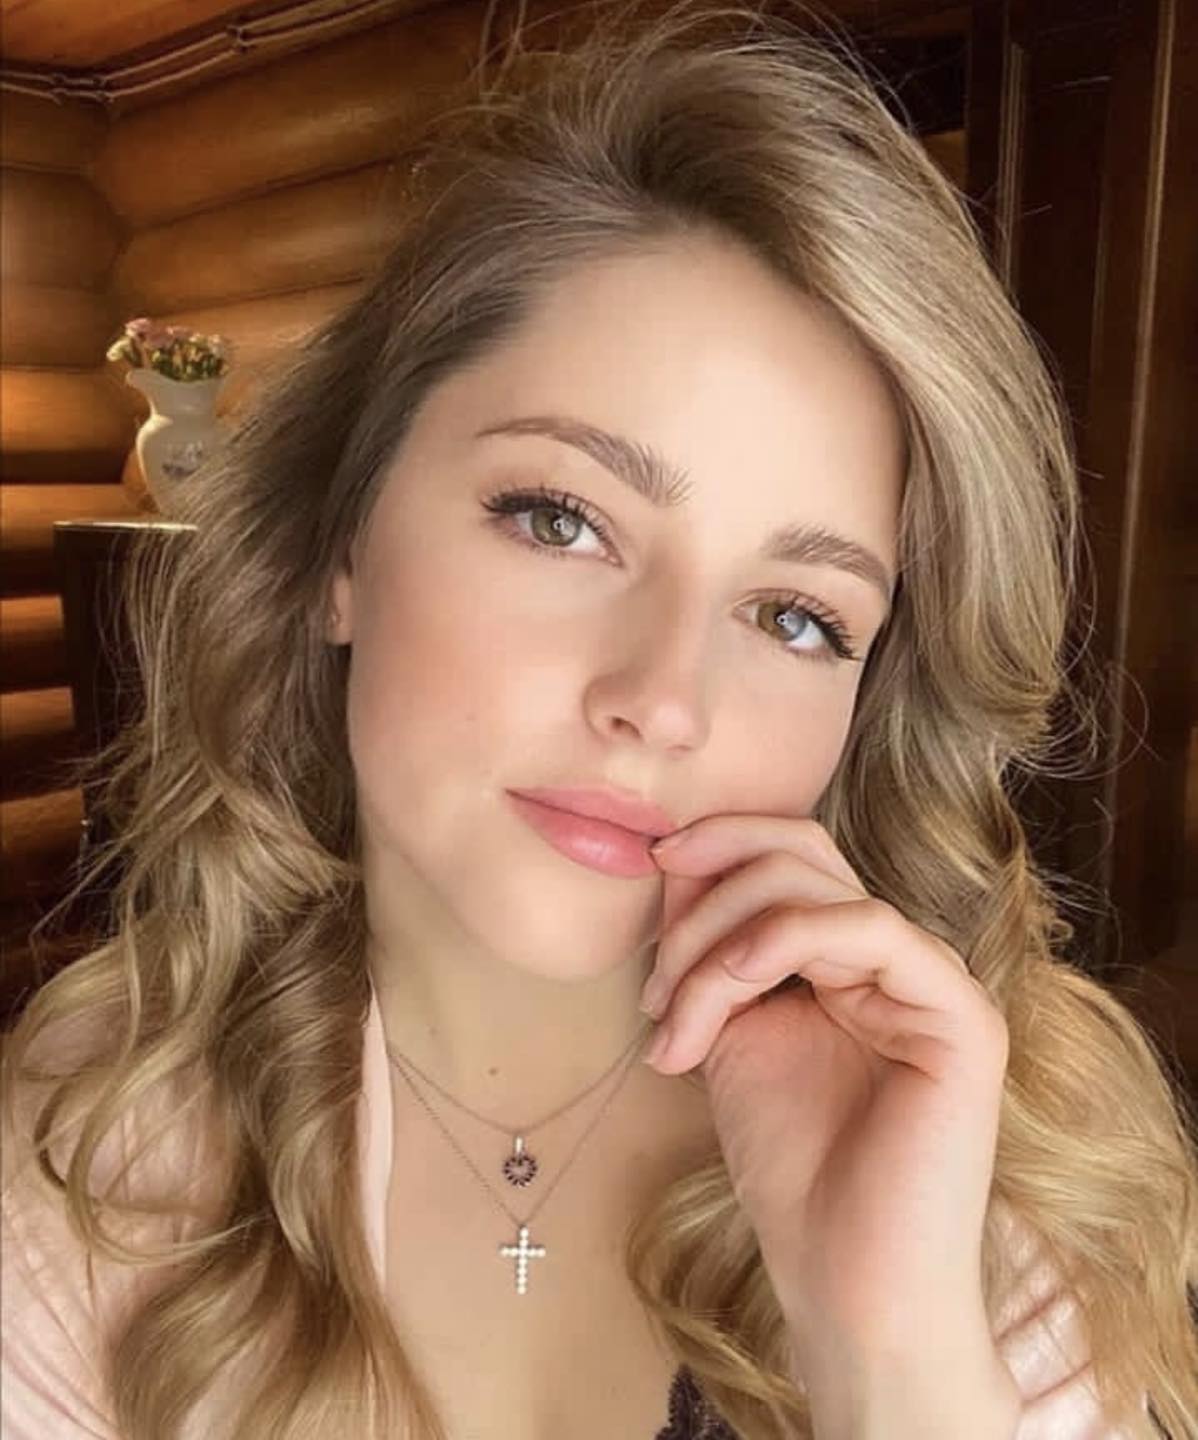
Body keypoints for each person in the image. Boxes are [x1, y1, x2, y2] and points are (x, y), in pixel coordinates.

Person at [3, 1, 1195, 1437]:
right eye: (560, 520)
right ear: (340, 548)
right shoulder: (94, 1138)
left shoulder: (1005, 1173)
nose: (663, 702)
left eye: (796, 616)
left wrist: (892, 1357)